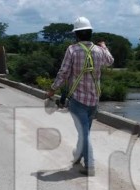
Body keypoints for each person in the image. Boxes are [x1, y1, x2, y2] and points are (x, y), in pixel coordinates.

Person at [46, 16, 114, 176]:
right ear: (90, 33)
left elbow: (63, 73)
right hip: (94, 100)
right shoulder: (99, 51)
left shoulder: (72, 50)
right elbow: (110, 61)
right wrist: (104, 47)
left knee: (84, 133)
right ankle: (78, 156)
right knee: (85, 131)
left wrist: (52, 89)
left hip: (78, 99)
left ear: (76, 35)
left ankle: (89, 165)